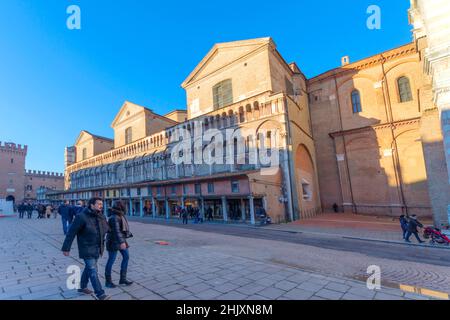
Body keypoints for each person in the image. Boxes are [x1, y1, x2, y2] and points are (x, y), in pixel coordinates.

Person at [61, 197, 111, 300]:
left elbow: (106, 229)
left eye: (102, 204)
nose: (101, 206)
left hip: (98, 247)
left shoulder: (101, 216)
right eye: (99, 204)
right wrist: (66, 248)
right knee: (93, 270)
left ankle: (82, 287)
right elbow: (71, 233)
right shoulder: (81, 217)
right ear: (92, 205)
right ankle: (100, 294)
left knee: (89, 268)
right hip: (86, 247)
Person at [104, 201, 133, 288]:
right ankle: (108, 281)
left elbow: (120, 230)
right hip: (113, 241)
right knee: (111, 260)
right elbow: (116, 231)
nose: (125, 207)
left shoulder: (120, 215)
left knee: (126, 257)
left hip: (120, 239)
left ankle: (122, 279)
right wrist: (122, 242)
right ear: (120, 207)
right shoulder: (114, 217)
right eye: (124, 205)